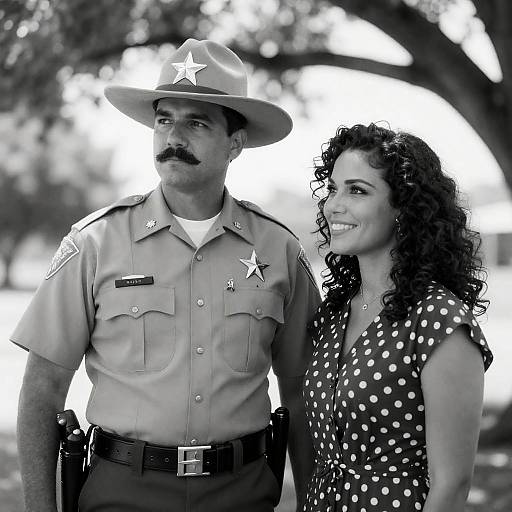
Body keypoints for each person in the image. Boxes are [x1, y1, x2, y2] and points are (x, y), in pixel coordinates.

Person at [12, 38, 321, 512]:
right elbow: (42, 390)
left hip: (241, 493)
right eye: (164, 120)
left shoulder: (278, 249)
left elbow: (301, 391)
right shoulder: (95, 243)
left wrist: (313, 503)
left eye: (196, 122)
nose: (174, 137)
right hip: (123, 493)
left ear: (235, 143)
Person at [302, 123, 493, 512]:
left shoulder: (439, 320)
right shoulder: (334, 313)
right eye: (333, 188)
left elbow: (452, 486)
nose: (334, 204)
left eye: (357, 190)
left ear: (405, 207)